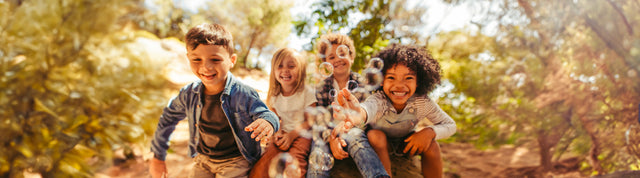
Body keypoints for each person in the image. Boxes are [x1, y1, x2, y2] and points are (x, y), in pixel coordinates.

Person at [149, 23, 280, 178]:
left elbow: (267, 114)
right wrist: (157, 156)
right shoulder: (189, 93)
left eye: (215, 59)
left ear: (231, 60)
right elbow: (168, 118)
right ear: (188, 58)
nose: (206, 67)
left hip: (235, 161)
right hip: (203, 160)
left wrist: (268, 122)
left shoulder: (243, 93)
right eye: (197, 59)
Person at [335, 44, 456, 178]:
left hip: (406, 144)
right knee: (375, 135)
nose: (399, 85)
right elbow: (367, 109)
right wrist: (358, 114)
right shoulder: (379, 100)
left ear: (419, 81)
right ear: (380, 80)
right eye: (391, 78)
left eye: (408, 78)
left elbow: (450, 125)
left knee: (432, 145)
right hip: (380, 145)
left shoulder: (422, 102)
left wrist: (429, 132)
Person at [308, 33, 389, 178]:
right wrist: (332, 138)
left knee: (358, 141)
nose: (337, 59)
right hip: (328, 131)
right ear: (325, 62)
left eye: (342, 54)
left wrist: (344, 130)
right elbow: (320, 119)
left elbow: (364, 115)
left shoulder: (362, 83)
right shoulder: (322, 87)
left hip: (352, 128)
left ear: (351, 57)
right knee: (318, 150)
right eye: (331, 57)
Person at [249, 48, 317, 177]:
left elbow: (310, 121)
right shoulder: (275, 95)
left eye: (291, 66)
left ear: (301, 71)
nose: (285, 70)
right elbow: (275, 118)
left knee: (295, 159)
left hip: (302, 134)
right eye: (279, 66)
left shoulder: (306, 92)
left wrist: (292, 135)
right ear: (273, 71)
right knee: (268, 157)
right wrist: (278, 131)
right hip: (283, 132)